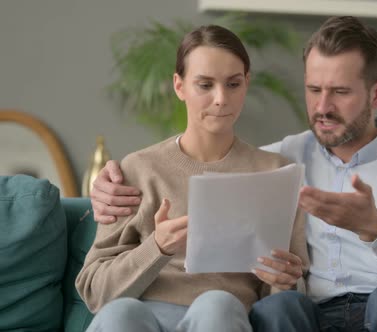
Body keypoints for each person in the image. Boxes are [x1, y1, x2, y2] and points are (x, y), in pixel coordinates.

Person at [90, 16, 377, 332]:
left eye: (340, 91)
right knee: (280, 309)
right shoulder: (278, 163)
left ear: (376, 94)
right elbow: (219, 163)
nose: (323, 107)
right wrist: (107, 183)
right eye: (313, 90)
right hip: (306, 314)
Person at [76, 24, 309, 332]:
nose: (221, 99)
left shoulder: (275, 173)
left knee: (217, 303)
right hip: (140, 318)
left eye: (233, 84)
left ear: (246, 83)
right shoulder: (137, 170)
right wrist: (157, 247)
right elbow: (95, 292)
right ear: (179, 85)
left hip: (225, 317)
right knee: (122, 315)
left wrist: (285, 281)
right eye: (205, 85)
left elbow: (285, 296)